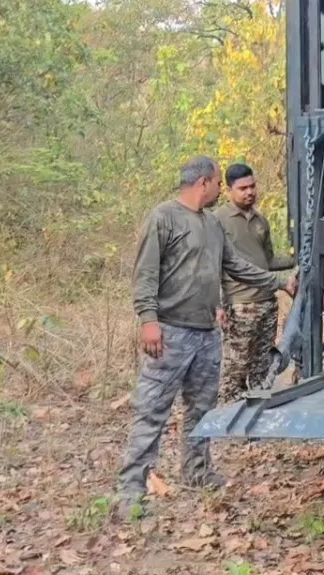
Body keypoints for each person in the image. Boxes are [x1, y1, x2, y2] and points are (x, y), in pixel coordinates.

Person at [118, 156, 297, 517]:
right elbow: (146, 274)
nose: (220, 189)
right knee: (152, 410)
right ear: (204, 183)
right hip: (169, 333)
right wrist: (148, 320)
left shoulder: (212, 225)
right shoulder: (164, 218)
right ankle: (130, 492)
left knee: (200, 409)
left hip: (205, 334)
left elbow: (239, 267)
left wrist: (280, 282)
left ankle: (196, 471)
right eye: (218, 182)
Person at [214, 163, 296, 402]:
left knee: (261, 365)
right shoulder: (218, 220)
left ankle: (256, 415)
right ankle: (231, 413)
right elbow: (211, 265)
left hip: (267, 303)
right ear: (229, 190)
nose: (249, 192)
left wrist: (297, 259)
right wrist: (216, 306)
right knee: (236, 366)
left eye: (252, 186)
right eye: (242, 188)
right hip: (240, 305)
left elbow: (267, 260)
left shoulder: (260, 220)